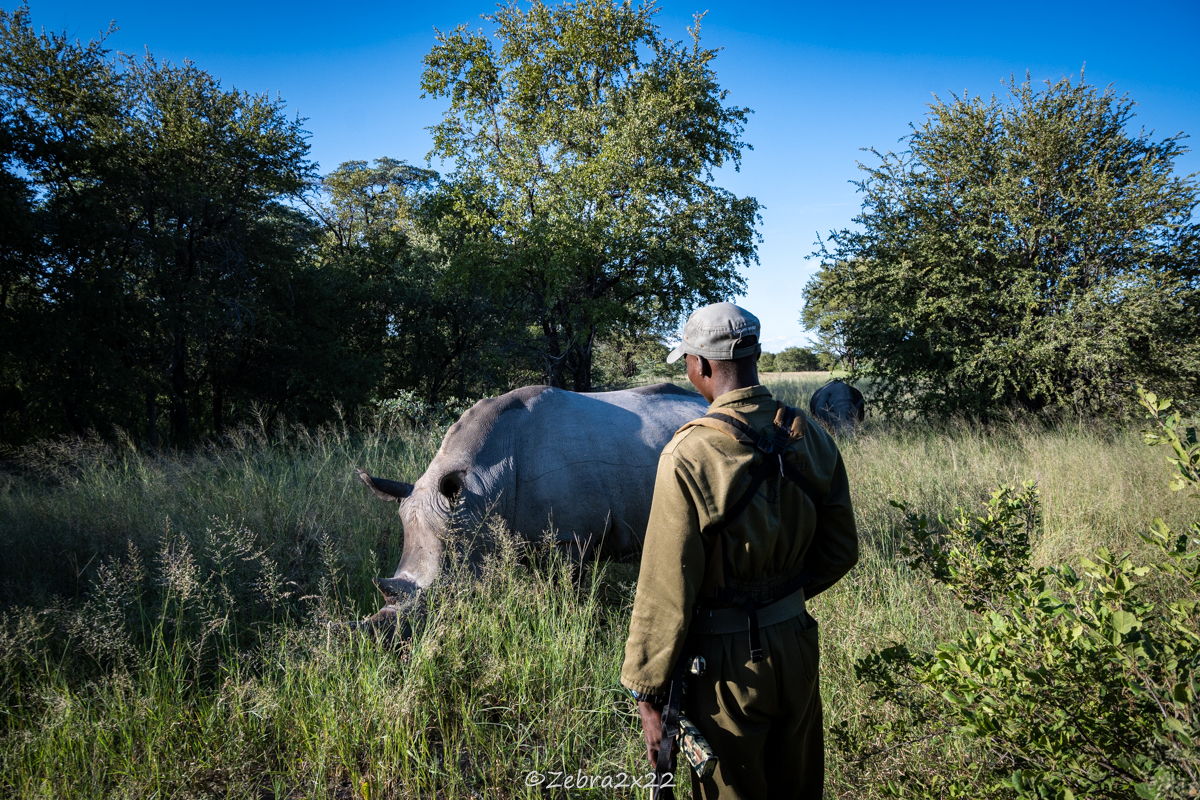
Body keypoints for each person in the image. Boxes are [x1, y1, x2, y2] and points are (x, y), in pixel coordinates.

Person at [621, 302, 859, 799]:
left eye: (687, 361)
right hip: (796, 641)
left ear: (701, 366)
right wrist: (779, 602)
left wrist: (648, 689)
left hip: (723, 663)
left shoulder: (689, 453)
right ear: (753, 355)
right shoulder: (810, 435)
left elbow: (667, 587)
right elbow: (840, 551)